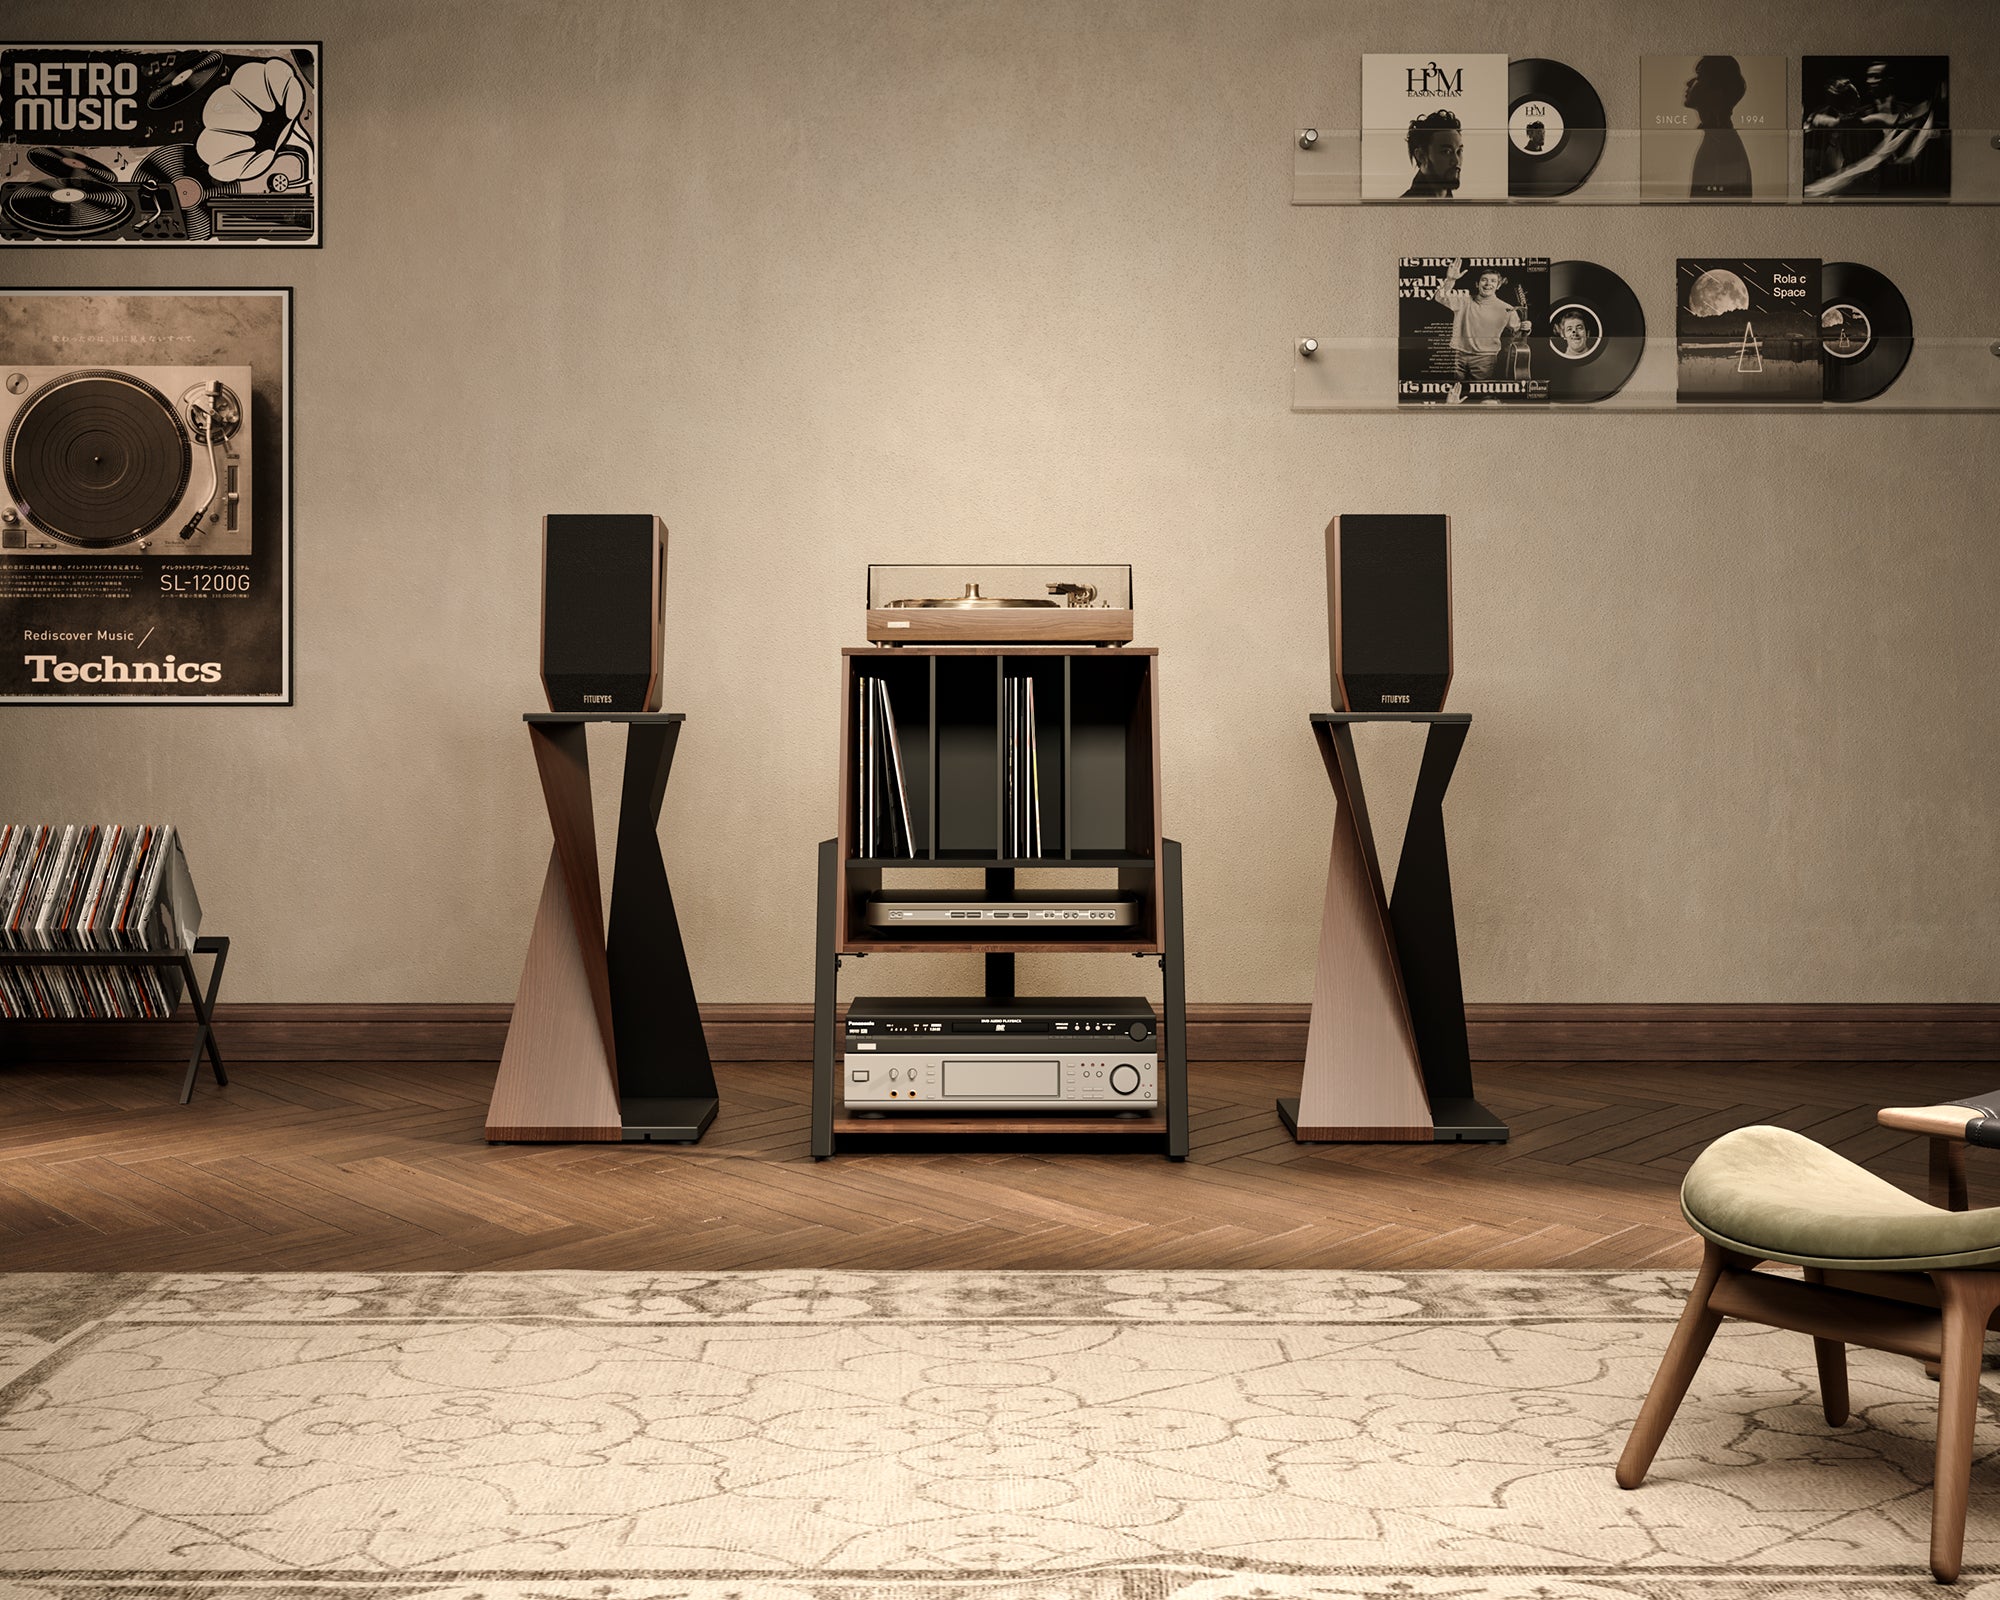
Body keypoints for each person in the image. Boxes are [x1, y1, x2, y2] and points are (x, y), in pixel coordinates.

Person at [1430, 260, 1528, 393]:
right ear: (1477, 284)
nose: (1488, 284)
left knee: (1478, 395)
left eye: (1493, 281)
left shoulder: (1507, 309)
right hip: (1457, 356)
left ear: (1498, 286)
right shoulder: (1463, 301)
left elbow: (1518, 336)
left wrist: (1526, 328)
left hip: (1485, 360)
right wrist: (1450, 279)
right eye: (1484, 280)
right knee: (1455, 393)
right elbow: (1439, 298)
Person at [1684, 55, 1752, 198]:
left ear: (1716, 91)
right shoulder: (1720, 139)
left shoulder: (1721, 143)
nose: (1688, 82)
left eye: (1699, 77)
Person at [1402, 109, 1462, 197]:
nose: (1456, 161)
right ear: (1421, 156)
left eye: (1459, 151)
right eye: (1446, 152)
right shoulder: (1404, 207)